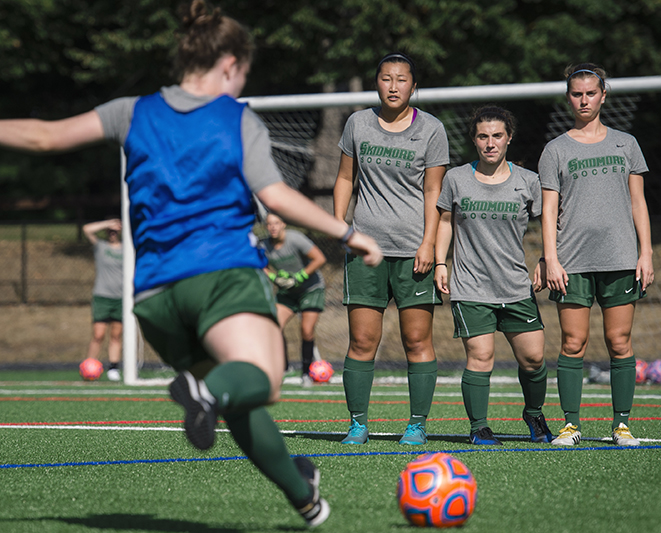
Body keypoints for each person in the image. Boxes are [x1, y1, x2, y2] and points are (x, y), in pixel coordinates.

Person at [0, 0, 382, 527]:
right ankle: (207, 392)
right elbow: (272, 193)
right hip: (221, 275)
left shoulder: (131, 111)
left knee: (235, 401)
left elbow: (45, 135)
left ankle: (305, 498)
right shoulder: (235, 117)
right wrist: (348, 232)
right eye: (243, 73)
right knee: (262, 380)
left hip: (155, 296)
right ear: (229, 64)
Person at [332, 52, 450, 446]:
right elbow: (345, 178)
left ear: (413, 87)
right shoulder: (358, 123)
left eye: (402, 79)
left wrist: (429, 244)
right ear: (377, 83)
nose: (394, 86)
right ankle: (357, 424)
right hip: (366, 250)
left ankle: (416, 424)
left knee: (416, 341)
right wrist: (340, 228)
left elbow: (435, 191)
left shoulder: (432, 129)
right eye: (386, 78)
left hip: (414, 251)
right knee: (363, 341)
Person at [538, 63, 654, 447]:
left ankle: (621, 426)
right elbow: (549, 208)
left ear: (604, 95)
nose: (583, 100)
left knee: (619, 341)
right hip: (571, 262)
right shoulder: (555, 149)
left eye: (591, 93)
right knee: (573, 343)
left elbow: (638, 202)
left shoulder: (627, 143)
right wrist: (550, 258)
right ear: (568, 97)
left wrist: (646, 252)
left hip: (621, 258)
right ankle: (570, 426)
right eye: (576, 93)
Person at [434, 106, 553, 446]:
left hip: (515, 285)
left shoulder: (528, 181)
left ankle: (533, 413)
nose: (490, 143)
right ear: (474, 140)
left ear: (509, 138)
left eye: (497, 136)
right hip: (471, 286)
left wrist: (546, 259)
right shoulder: (456, 178)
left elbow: (548, 224)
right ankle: (479, 427)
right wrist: (441, 263)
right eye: (483, 136)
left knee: (533, 358)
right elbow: (444, 221)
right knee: (481, 357)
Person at [261, 213, 327, 386]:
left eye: (276, 223)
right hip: (287, 293)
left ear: (283, 224)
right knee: (274, 326)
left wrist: (299, 277)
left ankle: (306, 375)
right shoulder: (264, 245)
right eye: (269, 224)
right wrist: (275, 278)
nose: (273, 227)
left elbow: (319, 258)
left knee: (306, 330)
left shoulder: (295, 239)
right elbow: (260, 266)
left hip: (311, 289)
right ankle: (282, 368)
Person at [82, 218, 124, 381]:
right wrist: (108, 223)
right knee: (98, 335)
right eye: (110, 232)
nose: (112, 234)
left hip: (120, 298)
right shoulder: (101, 247)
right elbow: (87, 229)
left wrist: (122, 226)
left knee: (116, 335)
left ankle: (113, 368)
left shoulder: (126, 250)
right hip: (102, 296)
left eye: (115, 231)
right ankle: (89, 366)